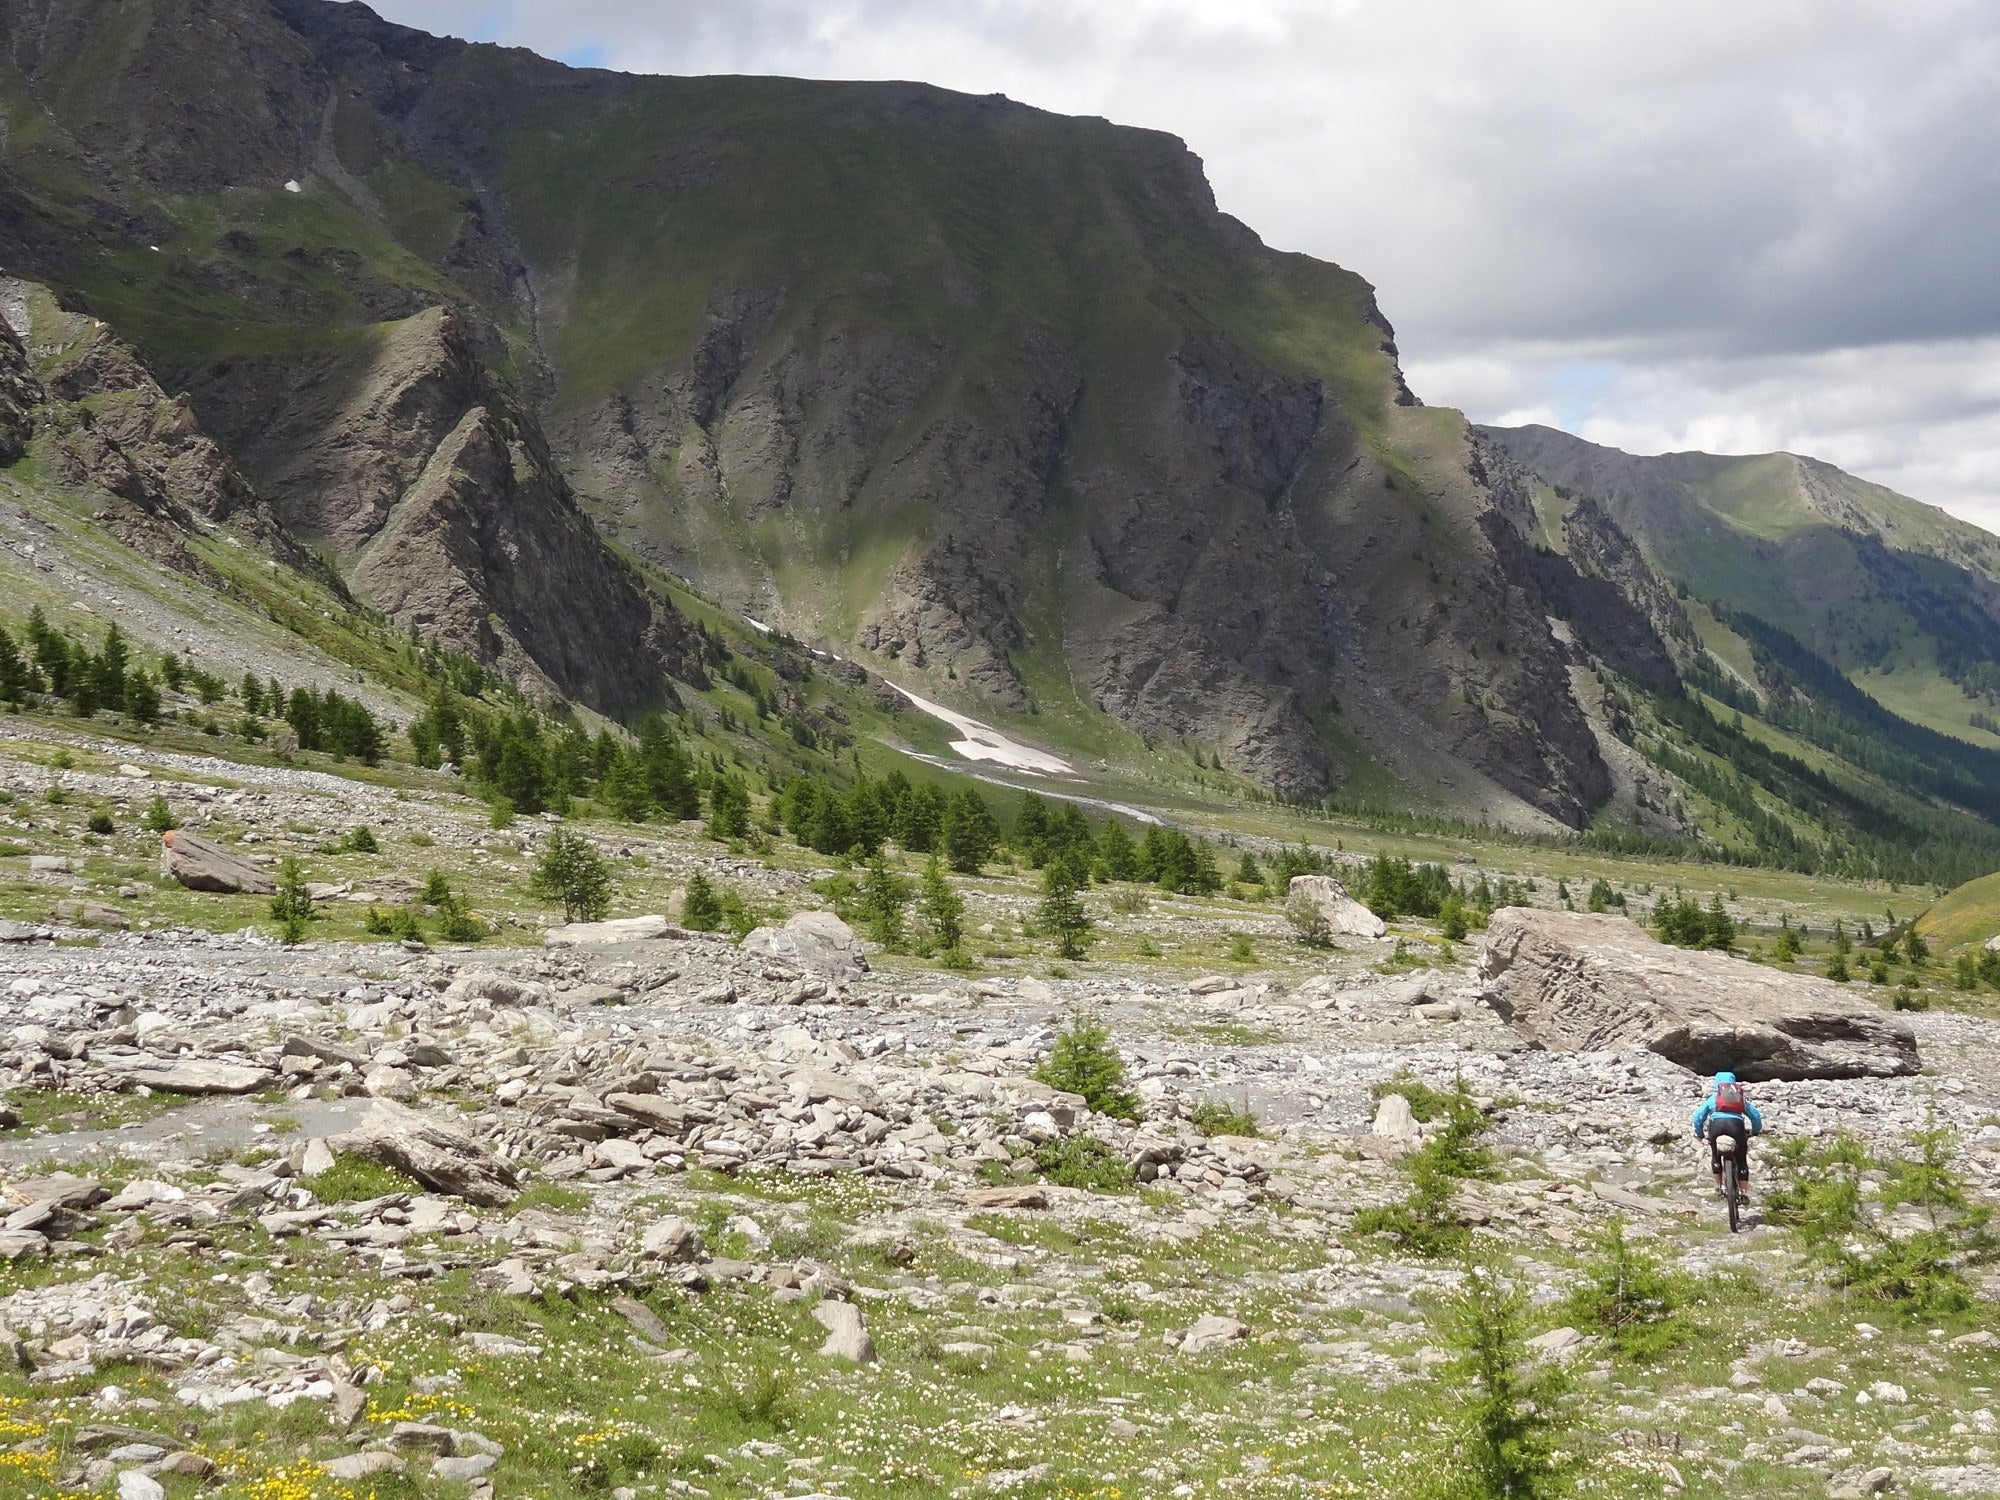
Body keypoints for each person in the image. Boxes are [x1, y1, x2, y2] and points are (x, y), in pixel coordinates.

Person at [1691, 1070, 1763, 1203]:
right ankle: (1744, 1193)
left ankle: (1718, 1187)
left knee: (1716, 1156)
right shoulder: (1738, 1097)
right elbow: (1755, 1116)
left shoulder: (1713, 1098)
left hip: (1716, 1126)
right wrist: (1755, 1131)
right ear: (1733, 1082)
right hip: (1736, 1126)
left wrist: (1700, 1134)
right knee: (1741, 1160)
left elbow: (1698, 1117)